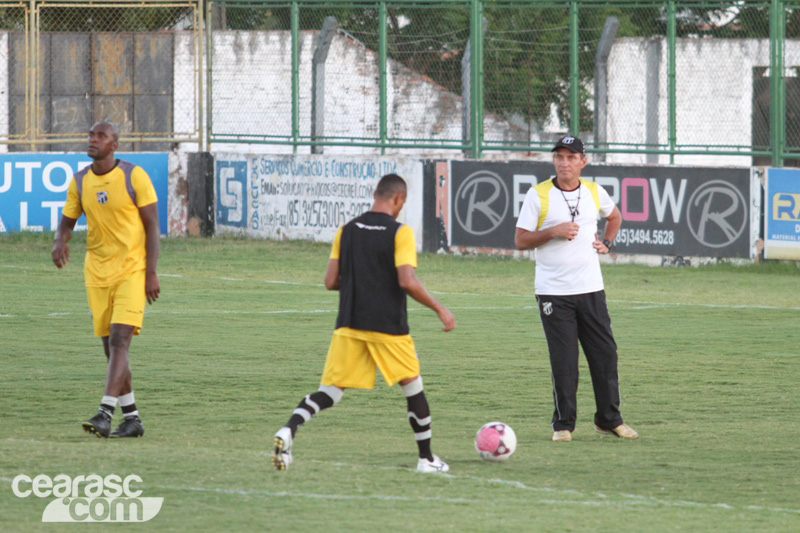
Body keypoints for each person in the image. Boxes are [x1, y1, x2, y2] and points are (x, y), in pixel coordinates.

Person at [271, 174, 456, 472]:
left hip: (349, 323)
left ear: (375, 194)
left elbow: (330, 281)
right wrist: (439, 308)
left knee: (330, 391)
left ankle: (289, 429)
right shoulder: (400, 232)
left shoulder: (347, 230)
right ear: (398, 199)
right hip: (388, 327)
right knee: (413, 387)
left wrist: (362, 281)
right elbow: (406, 280)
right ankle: (427, 459)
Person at [515, 135, 638, 443]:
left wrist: (607, 242)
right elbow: (520, 239)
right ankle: (563, 425)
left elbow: (615, 216)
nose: (564, 163)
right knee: (564, 360)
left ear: (583, 161)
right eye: (559, 157)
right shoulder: (538, 195)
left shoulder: (595, 191)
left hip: (591, 289)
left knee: (605, 355)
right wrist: (553, 231)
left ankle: (609, 420)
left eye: (571, 157)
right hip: (553, 292)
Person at [51, 120, 160, 439]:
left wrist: (151, 271)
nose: (93, 140)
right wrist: (60, 240)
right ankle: (133, 419)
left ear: (114, 145)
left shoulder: (133, 176)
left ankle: (104, 413)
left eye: (101, 136)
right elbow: (67, 220)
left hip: (131, 271)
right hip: (97, 274)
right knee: (110, 350)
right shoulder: (80, 181)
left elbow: (152, 226)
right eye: (91, 135)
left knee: (119, 342)